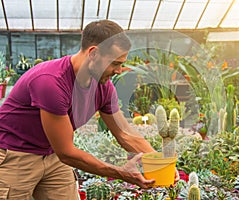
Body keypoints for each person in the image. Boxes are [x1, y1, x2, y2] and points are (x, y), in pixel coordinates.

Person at [0, 19, 160, 200]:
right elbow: (67, 152)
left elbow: (124, 133)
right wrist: (122, 173)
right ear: (93, 53)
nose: (119, 70)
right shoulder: (51, 81)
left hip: (51, 155)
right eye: (115, 63)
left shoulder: (103, 86)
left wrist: (158, 162)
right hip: (14, 154)